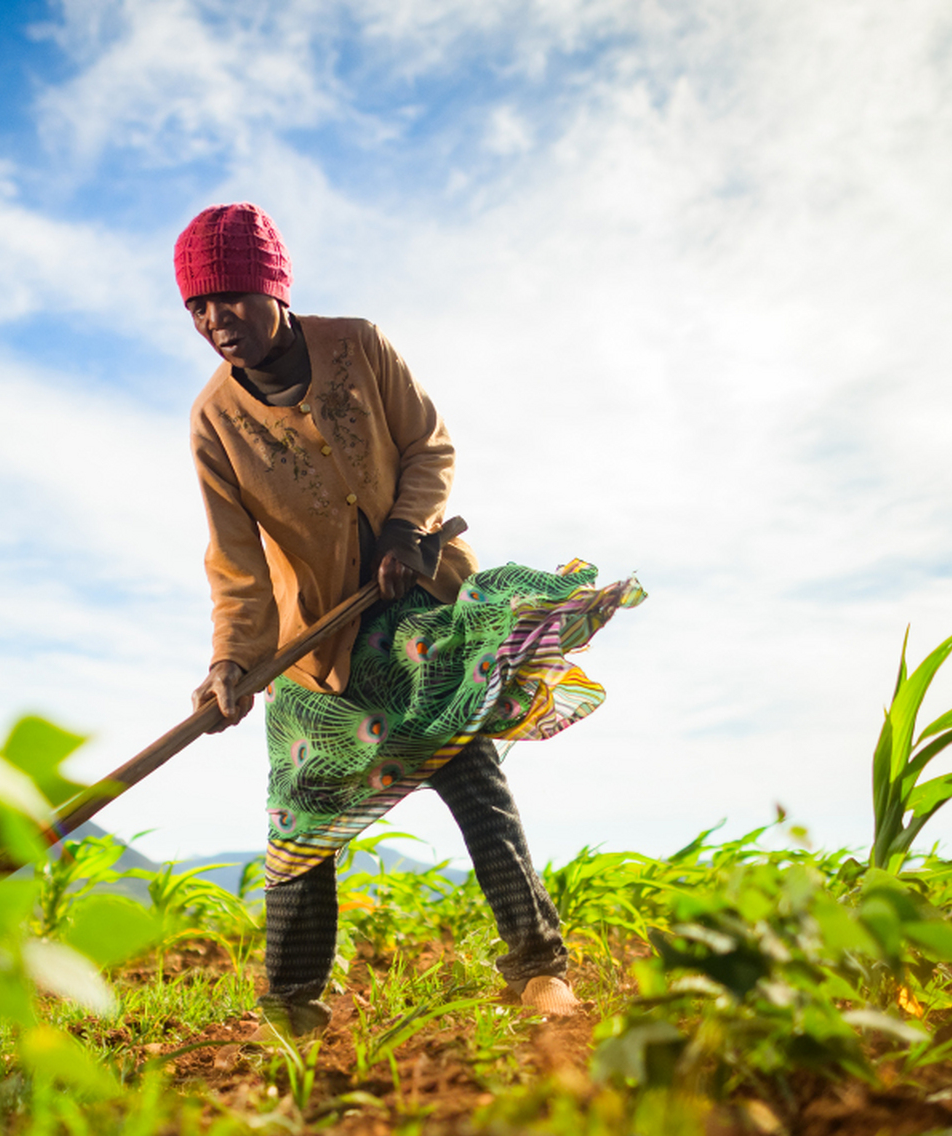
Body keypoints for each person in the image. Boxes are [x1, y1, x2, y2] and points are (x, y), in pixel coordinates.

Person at [177, 203, 642, 1036]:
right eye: (197, 308)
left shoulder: (358, 346)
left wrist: (405, 531)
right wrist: (230, 665)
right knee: (301, 808)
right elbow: (236, 566)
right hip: (319, 643)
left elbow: (430, 446)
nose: (217, 322)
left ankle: (538, 970)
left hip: (420, 602)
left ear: (274, 288)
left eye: (231, 298)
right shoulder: (215, 423)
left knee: (466, 768)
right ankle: (292, 1011)